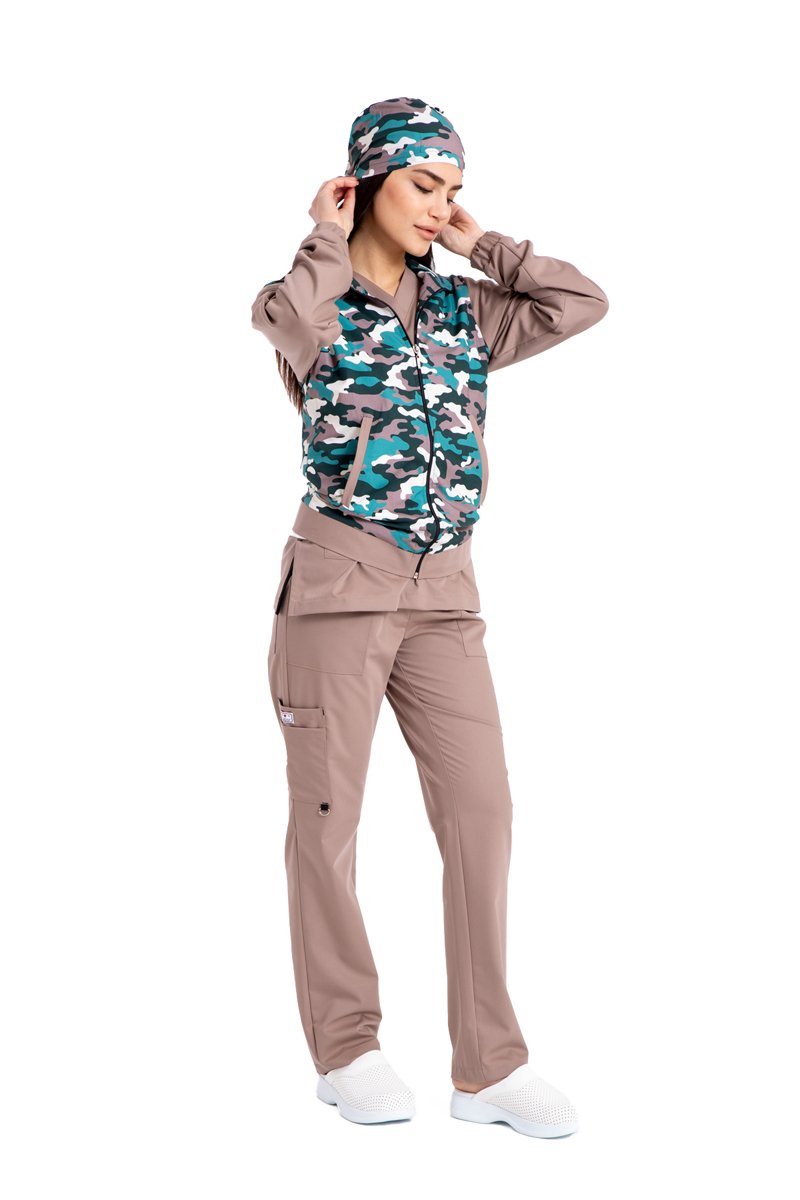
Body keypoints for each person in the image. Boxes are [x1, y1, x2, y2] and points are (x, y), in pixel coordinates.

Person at [250, 96, 609, 1138]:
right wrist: (325, 233)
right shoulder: (312, 299)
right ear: (364, 182)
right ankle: (345, 1049)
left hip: (445, 597)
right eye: (422, 184)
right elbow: (282, 320)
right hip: (337, 590)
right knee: (329, 824)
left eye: (452, 187)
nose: (439, 204)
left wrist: (480, 243)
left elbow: (579, 302)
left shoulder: (462, 310)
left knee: (482, 814)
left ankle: (487, 1067)